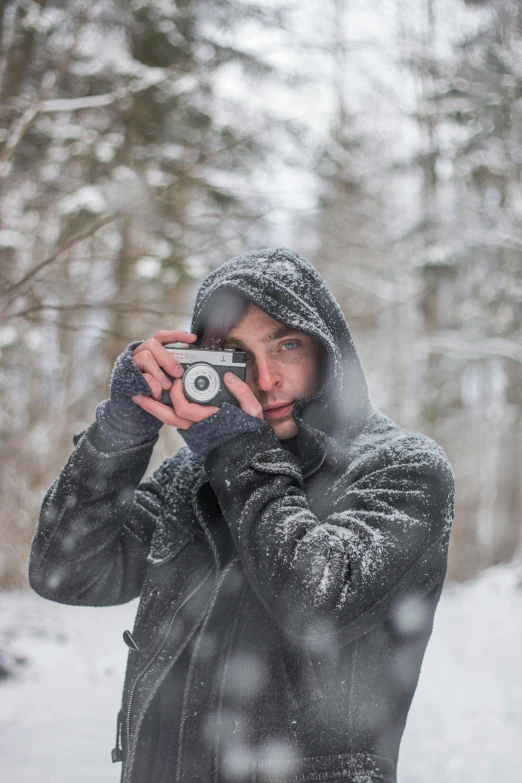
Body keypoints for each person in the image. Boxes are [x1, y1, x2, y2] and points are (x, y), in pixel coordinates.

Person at [28, 247, 455, 783]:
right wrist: (119, 433)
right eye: (237, 354)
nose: (266, 378)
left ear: (330, 351)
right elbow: (66, 572)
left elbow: (318, 606)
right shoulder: (193, 475)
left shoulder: (401, 469)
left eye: (288, 344)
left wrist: (234, 451)